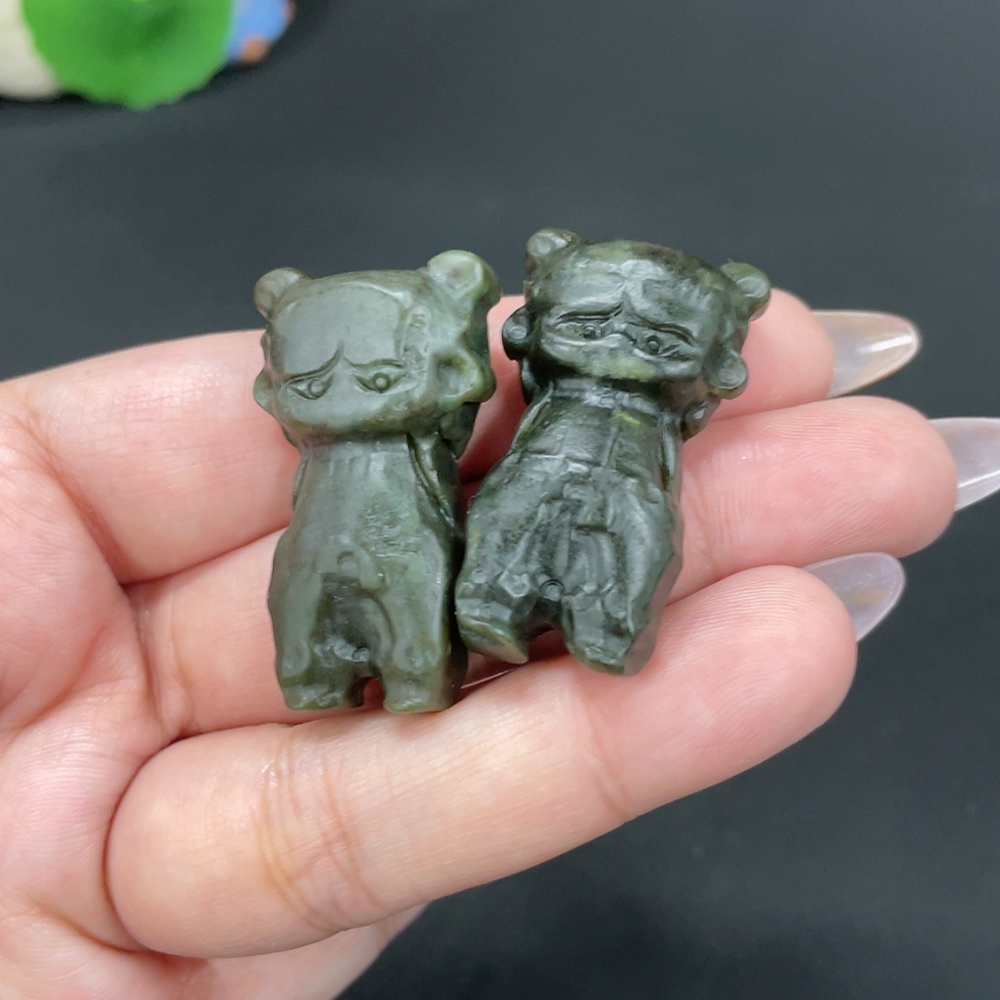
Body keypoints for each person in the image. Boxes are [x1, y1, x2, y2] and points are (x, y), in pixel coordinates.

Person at [0, 292, 989, 999]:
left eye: (657, 335)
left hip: (581, 489)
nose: (620, 344)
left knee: (604, 554)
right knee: (379, 583)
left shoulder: (624, 411)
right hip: (392, 511)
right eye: (315, 378)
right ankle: (404, 646)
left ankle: (539, 631)